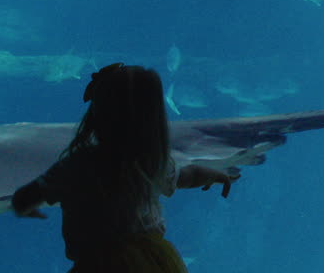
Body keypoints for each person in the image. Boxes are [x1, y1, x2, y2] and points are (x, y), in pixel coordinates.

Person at [12, 63, 236, 272]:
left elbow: (34, 192)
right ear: (154, 122)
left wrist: (25, 203)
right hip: (152, 259)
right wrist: (216, 174)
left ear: (96, 116)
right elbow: (185, 176)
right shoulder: (150, 162)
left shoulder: (77, 163)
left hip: (97, 262)